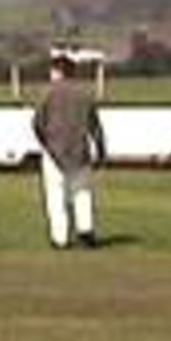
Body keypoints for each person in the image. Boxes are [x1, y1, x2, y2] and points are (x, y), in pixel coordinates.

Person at [32, 54, 106, 249]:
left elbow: (37, 123)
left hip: (54, 151)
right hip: (80, 150)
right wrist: (100, 149)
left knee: (56, 196)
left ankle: (60, 238)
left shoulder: (47, 93)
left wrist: (46, 142)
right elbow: (95, 125)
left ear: (57, 71)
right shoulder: (84, 94)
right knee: (82, 192)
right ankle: (86, 231)